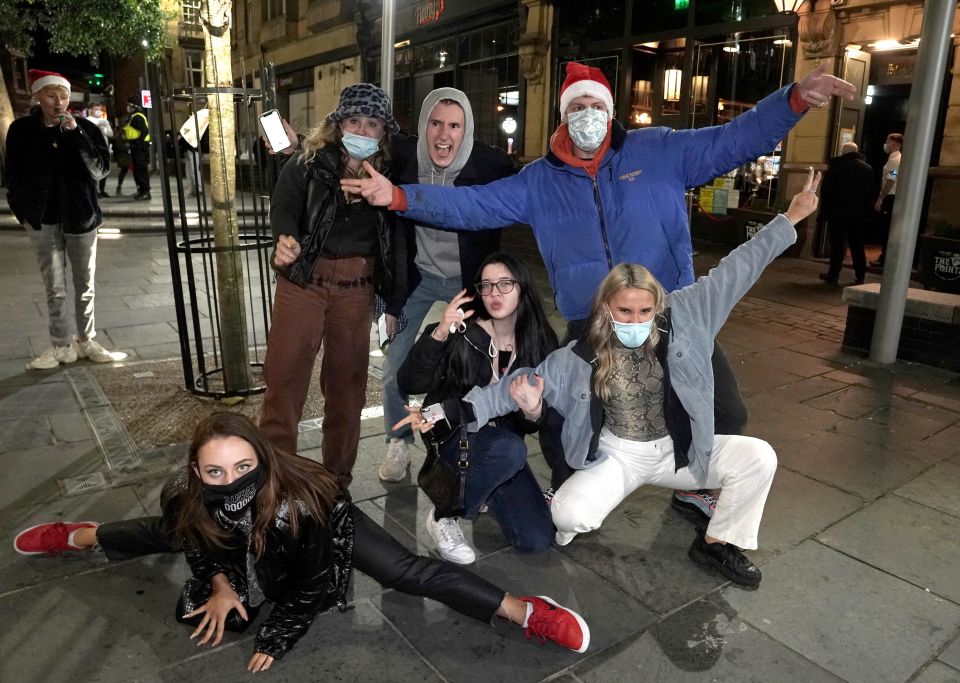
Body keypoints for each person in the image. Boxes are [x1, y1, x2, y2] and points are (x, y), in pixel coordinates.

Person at [345, 61, 855, 518]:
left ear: (610, 112)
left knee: (725, 410)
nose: (588, 114)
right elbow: (471, 205)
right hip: (590, 319)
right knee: (568, 411)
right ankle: (570, 489)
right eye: (578, 106)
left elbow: (733, 140)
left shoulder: (659, 151)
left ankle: (693, 486)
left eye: (596, 105)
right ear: (565, 116)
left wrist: (792, 101)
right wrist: (399, 196)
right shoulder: (539, 181)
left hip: (667, 313)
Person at [399, 171, 823, 589]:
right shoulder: (577, 356)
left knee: (758, 457)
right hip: (619, 457)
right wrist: (441, 411)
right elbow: (512, 389)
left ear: (658, 305)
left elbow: (739, 268)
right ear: (606, 310)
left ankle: (717, 542)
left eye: (645, 311)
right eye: (625, 311)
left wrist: (790, 218)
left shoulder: (689, 315)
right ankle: (558, 511)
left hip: (678, 450)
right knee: (568, 515)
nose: (636, 320)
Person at [13, 413, 590, 672]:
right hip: (231, 532)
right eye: (214, 472)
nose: (229, 480)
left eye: (243, 466)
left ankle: (526, 611)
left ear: (261, 460)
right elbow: (197, 543)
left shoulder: (302, 499)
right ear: (194, 470)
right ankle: (78, 534)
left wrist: (281, 631)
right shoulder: (189, 495)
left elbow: (313, 584)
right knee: (172, 531)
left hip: (321, 530)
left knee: (404, 571)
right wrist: (218, 583)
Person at [259, 83, 405, 489]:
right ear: (338, 124)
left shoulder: (392, 172)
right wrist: (285, 237)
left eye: (372, 123)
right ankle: (277, 480)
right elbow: (284, 204)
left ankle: (335, 481)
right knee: (284, 380)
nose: (362, 129)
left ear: (384, 132)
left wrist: (394, 301)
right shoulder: (309, 161)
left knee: (347, 388)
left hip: (357, 289)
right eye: (354, 120)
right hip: (304, 281)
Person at [377, 87, 519, 482]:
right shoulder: (405, 157)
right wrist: (296, 145)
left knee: (474, 368)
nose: (444, 134)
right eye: (436, 123)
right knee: (394, 368)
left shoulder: (489, 164)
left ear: (466, 129)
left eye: (454, 125)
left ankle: (467, 444)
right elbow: (356, 152)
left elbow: (536, 185)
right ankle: (399, 440)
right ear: (423, 126)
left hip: (467, 281)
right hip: (417, 280)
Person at [397, 252, 558, 564]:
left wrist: (534, 410)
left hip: (500, 451)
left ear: (523, 287)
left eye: (504, 284)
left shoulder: (539, 342)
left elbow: (531, 425)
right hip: (452, 435)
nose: (494, 294)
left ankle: (480, 487)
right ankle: (444, 515)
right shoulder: (464, 332)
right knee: (510, 450)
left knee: (536, 539)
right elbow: (410, 381)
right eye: (486, 286)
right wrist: (440, 331)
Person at [4, 69, 128, 370]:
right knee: (54, 287)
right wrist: (23, 213)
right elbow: (13, 175)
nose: (59, 102)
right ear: (37, 97)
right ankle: (61, 346)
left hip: (81, 217)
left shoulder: (86, 128)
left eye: (63, 96)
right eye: (51, 95)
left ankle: (86, 340)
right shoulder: (22, 130)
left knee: (84, 283)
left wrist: (77, 135)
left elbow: (99, 169)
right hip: (42, 219)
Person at [818, 142, 875, 285]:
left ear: (843, 152)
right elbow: (872, 191)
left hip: (837, 213)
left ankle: (833, 274)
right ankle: (860, 275)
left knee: (837, 245)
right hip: (858, 214)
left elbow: (827, 190)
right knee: (857, 244)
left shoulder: (836, 167)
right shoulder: (867, 168)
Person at [870, 132, 903, 268]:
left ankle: (884, 258)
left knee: (886, 229)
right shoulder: (894, 159)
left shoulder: (895, 160)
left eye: (888, 141)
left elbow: (891, 180)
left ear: (894, 144)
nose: (886, 144)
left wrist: (881, 198)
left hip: (890, 197)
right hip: (889, 196)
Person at [123, 95, 152, 200]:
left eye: (129, 105)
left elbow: (144, 131)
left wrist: (139, 144)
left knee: (141, 170)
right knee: (137, 170)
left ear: (133, 106)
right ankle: (141, 190)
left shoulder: (138, 117)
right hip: (137, 147)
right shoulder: (134, 116)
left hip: (140, 148)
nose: (127, 107)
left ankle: (145, 192)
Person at [85, 104, 114, 198]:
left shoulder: (104, 121)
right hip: (93, 150)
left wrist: (105, 128)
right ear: (91, 110)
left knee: (104, 170)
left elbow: (111, 134)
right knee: (94, 170)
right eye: (96, 109)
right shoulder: (88, 120)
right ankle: (94, 191)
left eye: (100, 109)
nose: (98, 111)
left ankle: (102, 190)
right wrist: (97, 127)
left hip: (105, 149)